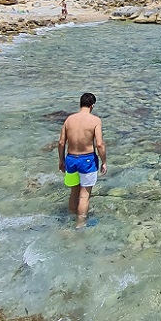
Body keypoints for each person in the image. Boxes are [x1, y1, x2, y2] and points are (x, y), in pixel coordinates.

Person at [58, 92, 107, 227]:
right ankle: (80, 224)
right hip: (87, 161)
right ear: (92, 106)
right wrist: (104, 162)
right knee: (84, 195)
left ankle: (69, 220)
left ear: (80, 104)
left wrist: (61, 160)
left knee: (74, 192)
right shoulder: (95, 121)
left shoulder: (69, 120)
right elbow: (99, 144)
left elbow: (61, 143)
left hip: (71, 159)